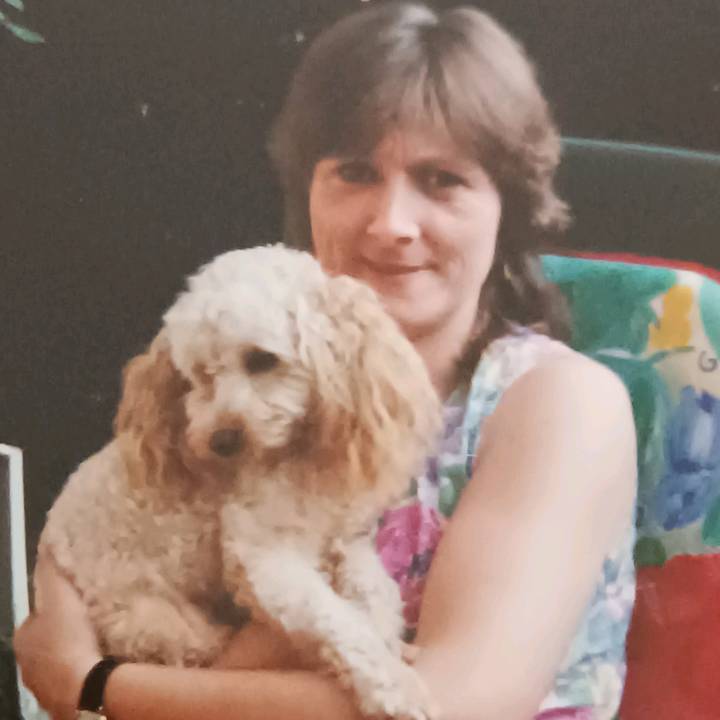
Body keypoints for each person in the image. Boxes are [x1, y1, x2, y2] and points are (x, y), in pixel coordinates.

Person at [14, 3, 637, 719]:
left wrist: (97, 685)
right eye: (356, 172)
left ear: (508, 205)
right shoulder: (243, 387)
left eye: (441, 179)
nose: (392, 223)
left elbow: (454, 707)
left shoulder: (561, 404)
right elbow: (89, 559)